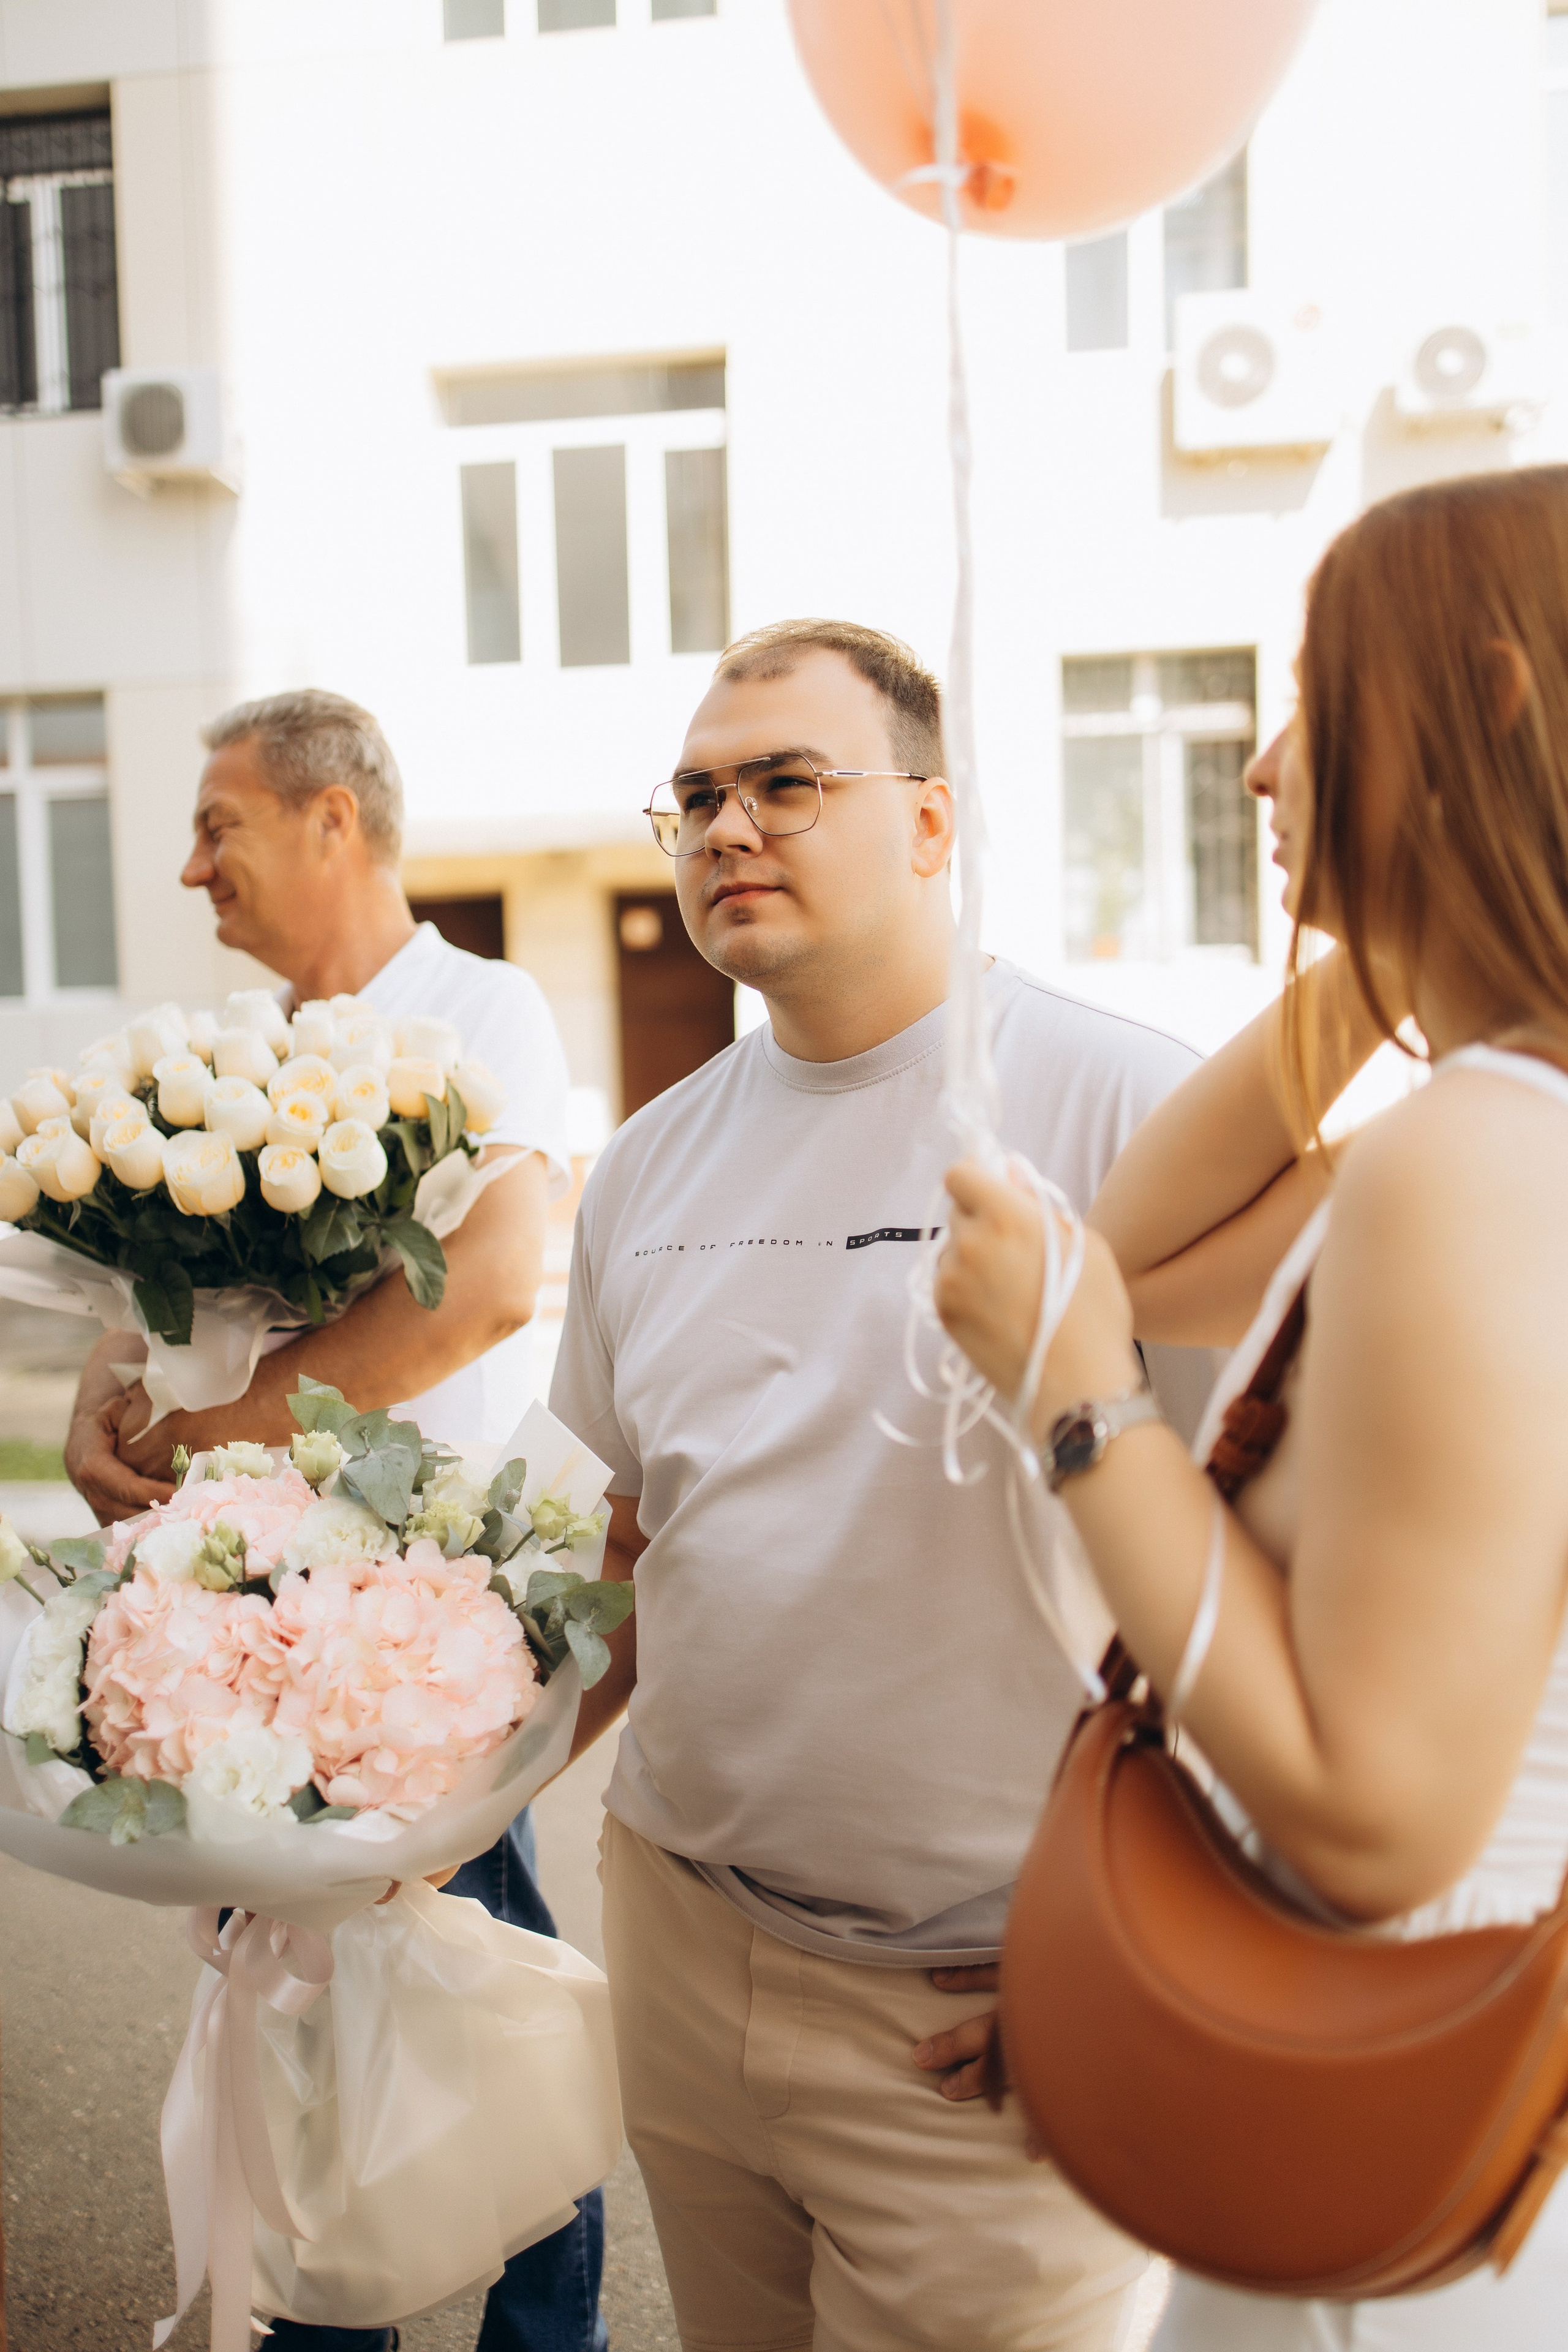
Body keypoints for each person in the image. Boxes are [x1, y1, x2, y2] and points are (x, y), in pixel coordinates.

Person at [934, 466, 1568, 2349]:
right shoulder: (1495, 1135)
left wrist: (1076, 1408)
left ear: (1496, 709)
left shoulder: (1471, 1163)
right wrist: (1429, 899)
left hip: (1390, 2179)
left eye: (1320, 695)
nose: (1260, 768)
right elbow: (1127, 1249)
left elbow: (1377, 1818)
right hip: (1438, 2098)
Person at [549, 618, 1215, 2352]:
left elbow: (1277, 1548)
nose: (726, 828)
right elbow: (643, 1541)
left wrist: (1142, 1954)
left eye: (788, 781)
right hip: (687, 1954)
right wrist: (420, 1803)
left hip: (983, 2017)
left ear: (932, 823)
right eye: (694, 795)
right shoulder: (643, 1164)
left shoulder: (1123, 1109)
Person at [61, 690, 606, 2352]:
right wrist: (107, 1402)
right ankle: (311, 2326)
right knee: (277, 2014)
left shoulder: (480, 1010)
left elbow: (492, 1285)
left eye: (218, 824)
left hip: (411, 1624)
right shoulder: (220, 1059)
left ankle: (543, 2332)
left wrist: (220, 1428)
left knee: (483, 1985)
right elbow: (151, 1292)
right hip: (225, 1618)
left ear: (332, 822)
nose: (186, 870)